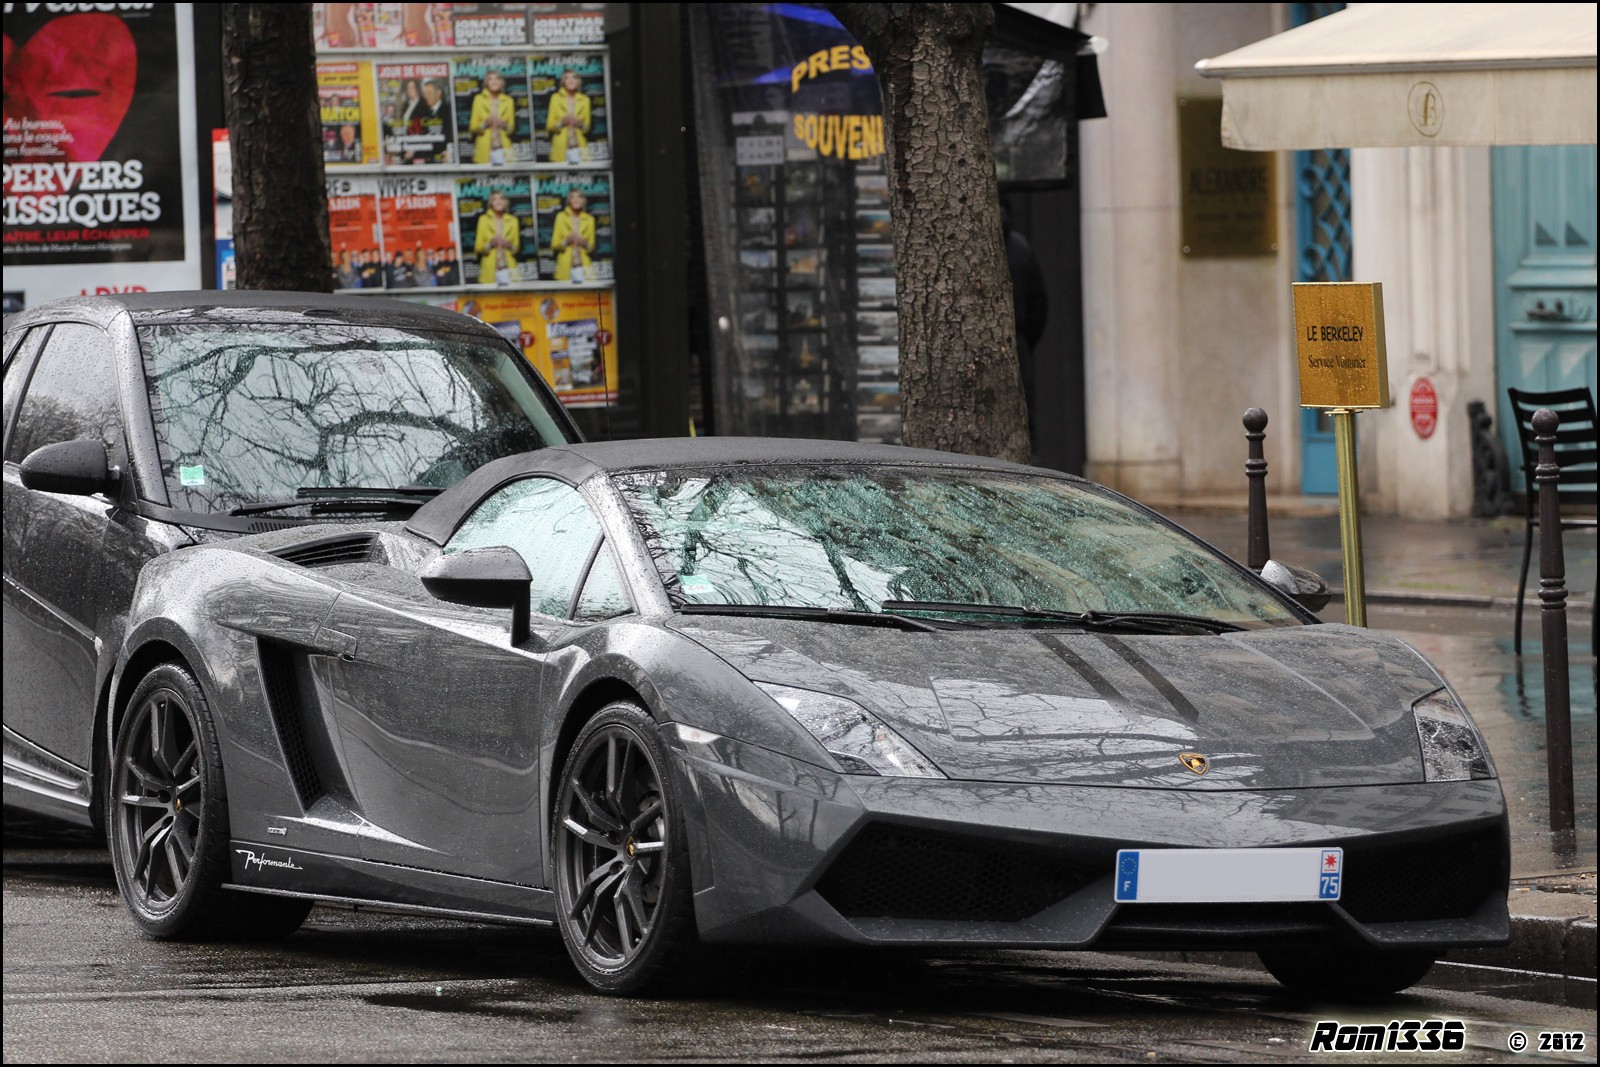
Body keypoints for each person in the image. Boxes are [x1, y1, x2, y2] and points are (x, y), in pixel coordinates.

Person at [1002, 205, 1049, 450]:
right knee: (1021, 419)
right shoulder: (1019, 246)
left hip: (1016, 338)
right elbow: (1038, 306)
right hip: (1016, 341)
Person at [469, 69, 517, 165]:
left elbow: (512, 129)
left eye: (497, 79)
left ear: (501, 82)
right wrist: (484, 124)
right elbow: (472, 127)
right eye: (490, 79)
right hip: (485, 151)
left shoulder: (509, 100)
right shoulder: (478, 99)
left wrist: (504, 125)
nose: (494, 82)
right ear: (486, 83)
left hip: (504, 149)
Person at [544, 69, 591, 164]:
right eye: (567, 78)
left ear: (578, 82)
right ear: (563, 82)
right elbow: (549, 125)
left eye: (574, 77)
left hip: (579, 148)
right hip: (561, 148)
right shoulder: (555, 98)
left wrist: (580, 124)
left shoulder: (585, 100)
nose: (571, 80)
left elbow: (587, 127)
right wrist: (561, 122)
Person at [474, 189, 520, 285]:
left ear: (505, 202)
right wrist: (490, 244)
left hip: (509, 268)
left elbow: (516, 248)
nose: (498, 202)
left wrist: (508, 245)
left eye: (501, 199)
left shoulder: (513, 220)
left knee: (514, 298)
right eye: (495, 199)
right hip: (490, 269)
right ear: (491, 203)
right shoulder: (483, 219)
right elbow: (478, 248)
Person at [550, 187, 596, 282]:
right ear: (569, 201)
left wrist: (584, 243)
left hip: (584, 268)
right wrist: (566, 241)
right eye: (572, 197)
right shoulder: (561, 217)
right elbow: (554, 245)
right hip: (565, 268)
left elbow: (592, 247)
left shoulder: (590, 219)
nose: (576, 200)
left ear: (583, 201)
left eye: (579, 197)